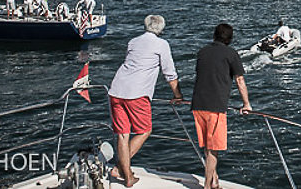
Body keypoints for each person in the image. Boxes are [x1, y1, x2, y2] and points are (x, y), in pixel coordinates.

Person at [108, 15, 183, 187]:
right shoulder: (162, 44)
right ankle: (121, 168)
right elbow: (169, 73)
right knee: (144, 130)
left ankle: (126, 176)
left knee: (122, 135)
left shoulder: (133, 41)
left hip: (117, 89)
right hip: (137, 93)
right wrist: (178, 95)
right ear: (161, 29)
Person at [192, 23, 251, 189]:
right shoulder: (231, 54)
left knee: (207, 148)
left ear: (214, 35)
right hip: (215, 106)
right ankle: (207, 185)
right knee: (213, 149)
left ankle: (214, 180)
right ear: (230, 39)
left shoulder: (202, 51)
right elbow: (239, 80)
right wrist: (246, 103)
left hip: (197, 104)